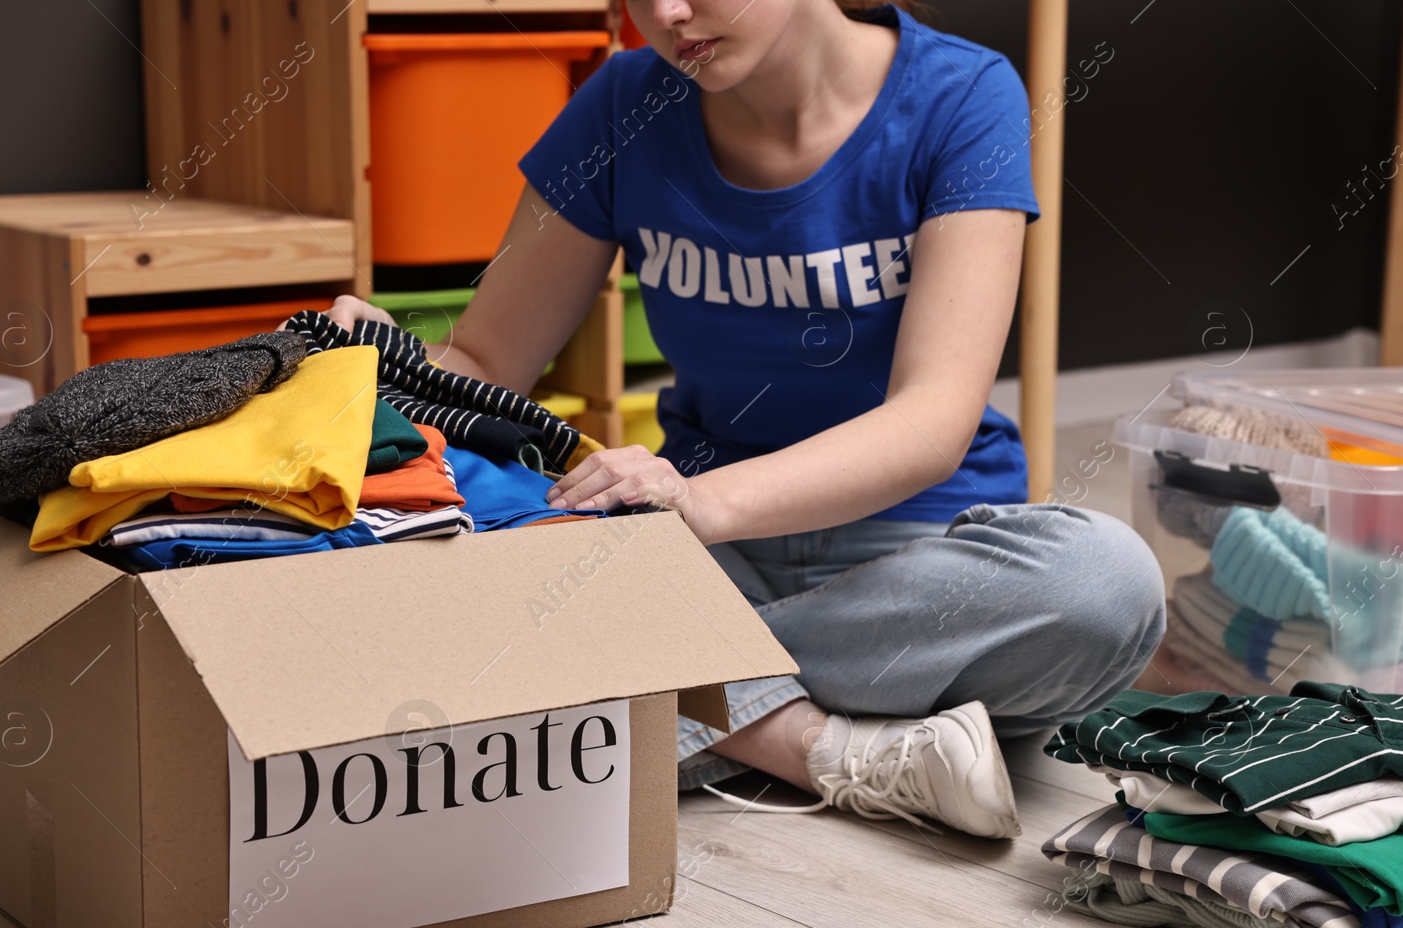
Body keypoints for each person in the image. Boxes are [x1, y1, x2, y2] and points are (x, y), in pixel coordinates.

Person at [327, 0, 1165, 838]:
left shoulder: (963, 92)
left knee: (1105, 584)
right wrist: (387, 360)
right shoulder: (624, 104)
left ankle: (678, 695)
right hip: (711, 564)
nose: (667, 14)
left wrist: (699, 504)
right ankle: (828, 748)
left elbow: (931, 421)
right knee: (483, 546)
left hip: (916, 563)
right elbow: (484, 364)